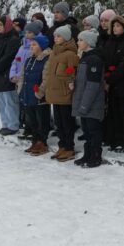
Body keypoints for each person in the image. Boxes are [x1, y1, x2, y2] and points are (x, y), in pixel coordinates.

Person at [43, 26, 80, 161]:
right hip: (54, 92)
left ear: (65, 37)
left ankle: (69, 147)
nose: (55, 38)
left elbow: (72, 71)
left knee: (67, 122)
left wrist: (71, 82)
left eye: (58, 36)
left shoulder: (70, 54)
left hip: (64, 93)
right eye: (54, 36)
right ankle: (62, 145)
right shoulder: (54, 53)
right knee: (59, 122)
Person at [73, 30, 107, 168]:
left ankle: (96, 155)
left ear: (89, 42)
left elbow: (92, 85)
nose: (78, 42)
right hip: (84, 102)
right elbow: (83, 81)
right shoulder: (85, 57)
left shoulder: (94, 60)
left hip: (92, 104)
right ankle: (88, 154)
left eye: (81, 40)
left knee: (94, 131)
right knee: (87, 131)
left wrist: (84, 105)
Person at [102, 15, 124, 152]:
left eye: (118, 26)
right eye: (114, 26)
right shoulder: (109, 42)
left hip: (122, 83)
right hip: (110, 83)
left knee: (123, 112)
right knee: (112, 112)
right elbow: (105, 59)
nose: (115, 29)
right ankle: (114, 139)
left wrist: (111, 78)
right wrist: (106, 76)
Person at [0, 15, 21, 135]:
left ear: (7, 25)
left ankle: (13, 125)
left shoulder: (13, 40)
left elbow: (7, 59)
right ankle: (5, 124)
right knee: (0, 102)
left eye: (0, 25)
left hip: (6, 75)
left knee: (9, 101)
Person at [18, 34, 52, 155]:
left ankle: (42, 142)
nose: (31, 47)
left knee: (41, 120)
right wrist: (20, 90)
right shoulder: (29, 59)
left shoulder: (46, 60)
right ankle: (35, 140)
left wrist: (40, 93)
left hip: (39, 96)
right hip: (27, 94)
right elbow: (22, 75)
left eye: (34, 44)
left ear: (41, 46)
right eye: (31, 44)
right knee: (31, 120)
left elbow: (46, 79)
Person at [10, 20, 43, 140]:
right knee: (24, 106)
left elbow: (27, 64)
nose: (27, 34)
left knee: (32, 107)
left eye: (29, 32)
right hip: (20, 80)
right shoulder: (22, 46)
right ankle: (28, 129)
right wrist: (13, 74)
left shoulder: (37, 46)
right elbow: (16, 61)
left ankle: (36, 131)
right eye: (26, 32)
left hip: (28, 79)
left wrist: (19, 75)